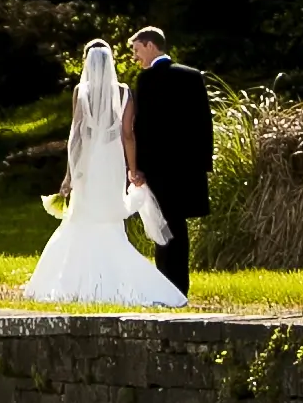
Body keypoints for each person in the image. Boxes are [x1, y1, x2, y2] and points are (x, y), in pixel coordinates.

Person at [23, 40, 186, 307]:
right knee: (109, 220)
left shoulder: (81, 91)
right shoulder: (123, 93)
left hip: (88, 163)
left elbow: (76, 136)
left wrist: (70, 175)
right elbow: (127, 135)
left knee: (81, 219)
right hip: (110, 163)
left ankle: (72, 281)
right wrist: (132, 170)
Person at [125, 26, 213, 294]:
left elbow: (143, 128)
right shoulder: (192, 76)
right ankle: (179, 285)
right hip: (188, 168)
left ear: (151, 46)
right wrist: (203, 163)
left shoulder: (148, 80)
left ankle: (167, 285)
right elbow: (204, 122)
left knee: (163, 227)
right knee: (179, 227)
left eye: (137, 50)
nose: (136, 57)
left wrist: (137, 167)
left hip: (159, 168)